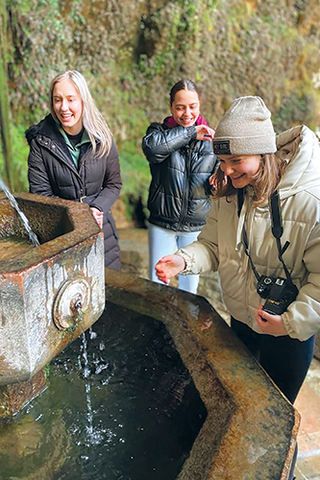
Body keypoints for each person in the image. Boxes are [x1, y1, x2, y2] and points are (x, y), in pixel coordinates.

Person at [155, 95, 320, 404]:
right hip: (241, 323)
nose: (227, 171)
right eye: (221, 161)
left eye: (236, 161)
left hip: (288, 335)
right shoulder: (231, 192)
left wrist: (290, 323)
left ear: (262, 152)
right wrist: (182, 260)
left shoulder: (310, 200)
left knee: (275, 418)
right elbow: (214, 245)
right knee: (237, 406)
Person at [26, 70, 122, 270]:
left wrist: (97, 208)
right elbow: (41, 196)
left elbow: (113, 184)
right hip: (61, 238)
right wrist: (78, 215)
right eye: (57, 100)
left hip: (102, 234)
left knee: (108, 294)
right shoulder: (40, 142)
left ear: (83, 101)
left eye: (71, 99)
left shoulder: (102, 137)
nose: (64, 107)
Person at [142, 79, 218, 294]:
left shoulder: (212, 139)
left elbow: (220, 181)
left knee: (189, 290)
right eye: (180, 107)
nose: (187, 113)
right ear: (171, 107)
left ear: (199, 105)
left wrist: (217, 181)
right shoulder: (157, 132)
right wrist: (191, 133)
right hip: (162, 222)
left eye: (192, 106)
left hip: (196, 226)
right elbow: (153, 150)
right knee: (157, 285)